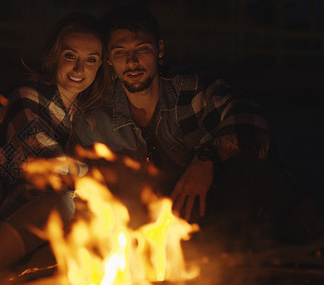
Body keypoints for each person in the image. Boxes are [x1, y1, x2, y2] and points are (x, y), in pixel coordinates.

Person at [71, 4, 319, 248]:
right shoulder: (97, 120)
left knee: (250, 165)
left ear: (159, 49)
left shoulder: (189, 89)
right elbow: (86, 183)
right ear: (110, 62)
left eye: (142, 49)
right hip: (160, 228)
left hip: (222, 204)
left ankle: (302, 239)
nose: (132, 61)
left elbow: (251, 118)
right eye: (120, 52)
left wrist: (206, 159)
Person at [0, 12, 108, 285]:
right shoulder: (28, 93)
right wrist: (99, 175)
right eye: (71, 56)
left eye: (90, 59)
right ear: (55, 55)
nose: (79, 67)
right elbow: (53, 166)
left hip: (46, 231)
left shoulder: (87, 113)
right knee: (64, 205)